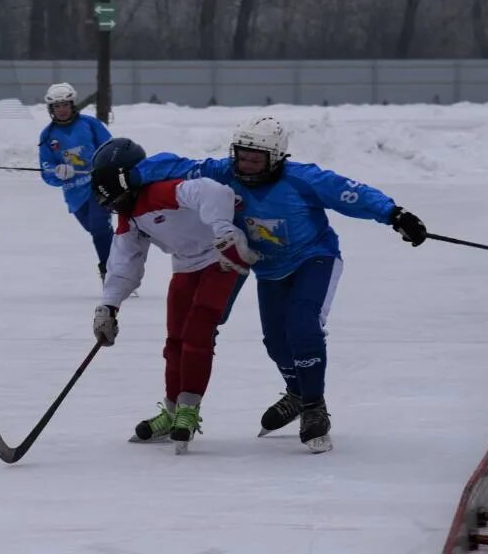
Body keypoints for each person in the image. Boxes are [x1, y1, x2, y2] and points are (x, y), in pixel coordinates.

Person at [130, 116, 428, 453]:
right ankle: (297, 392)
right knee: (275, 341)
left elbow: (351, 193)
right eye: (242, 156)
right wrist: (132, 174)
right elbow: (175, 165)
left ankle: (314, 406)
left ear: (276, 158)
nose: (247, 165)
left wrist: (394, 214)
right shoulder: (221, 173)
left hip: (313, 258)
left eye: (256, 159)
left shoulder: (303, 179)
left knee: (303, 325)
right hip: (269, 270)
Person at [88, 138, 257, 454]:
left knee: (198, 330)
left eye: (119, 199)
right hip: (185, 262)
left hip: (222, 255)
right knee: (175, 339)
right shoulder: (131, 214)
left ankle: (189, 409)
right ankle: (171, 410)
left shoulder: (161, 190)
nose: (118, 209)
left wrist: (223, 231)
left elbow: (216, 192)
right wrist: (108, 305)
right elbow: (124, 261)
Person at [38, 82, 115, 282]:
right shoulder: (47, 136)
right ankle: (121, 263)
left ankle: (112, 273)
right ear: (51, 109)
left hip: (98, 187)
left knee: (99, 226)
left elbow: (111, 149)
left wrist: (104, 168)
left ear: (73, 105)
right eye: (56, 106)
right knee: (96, 231)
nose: (61, 109)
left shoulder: (91, 124)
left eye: (65, 104)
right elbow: (46, 170)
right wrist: (57, 172)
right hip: (74, 194)